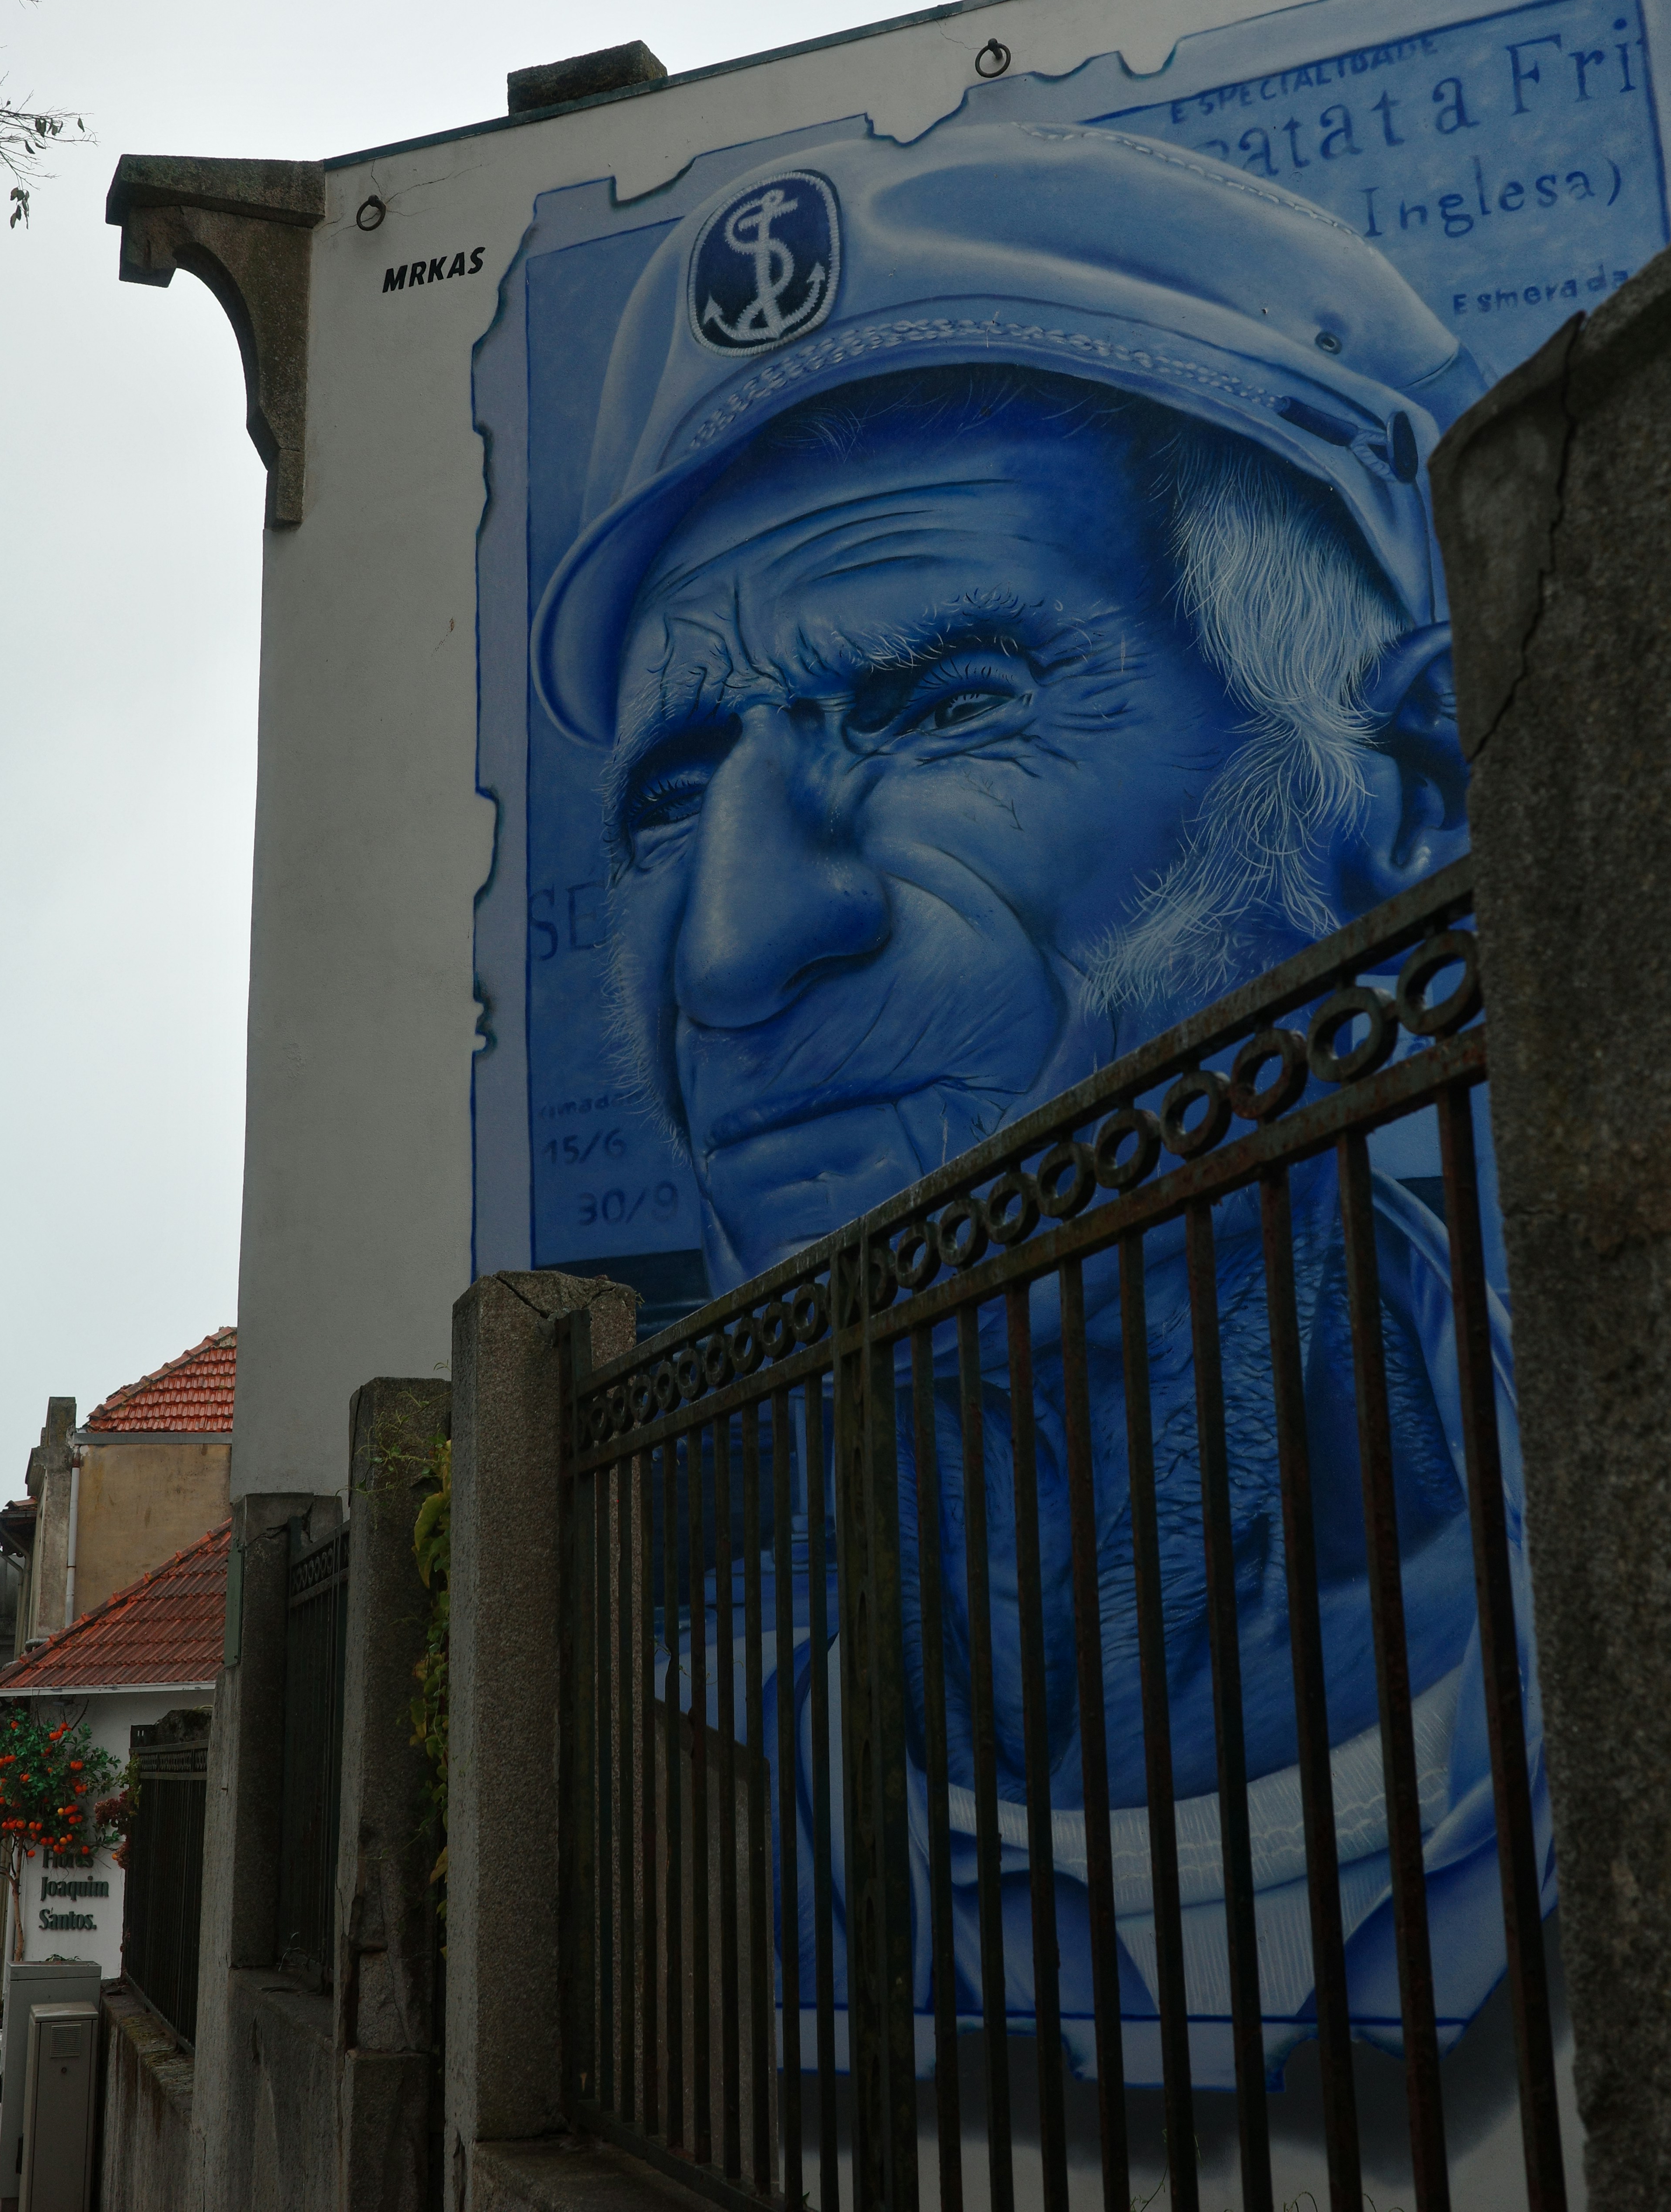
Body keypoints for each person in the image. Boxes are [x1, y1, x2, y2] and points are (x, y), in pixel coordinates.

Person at [528, 116, 1546, 2084]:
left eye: (943, 705)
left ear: (1400, 805)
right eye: (670, 797)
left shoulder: (1589, 1619)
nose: (729, 950)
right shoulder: (686, 1748)